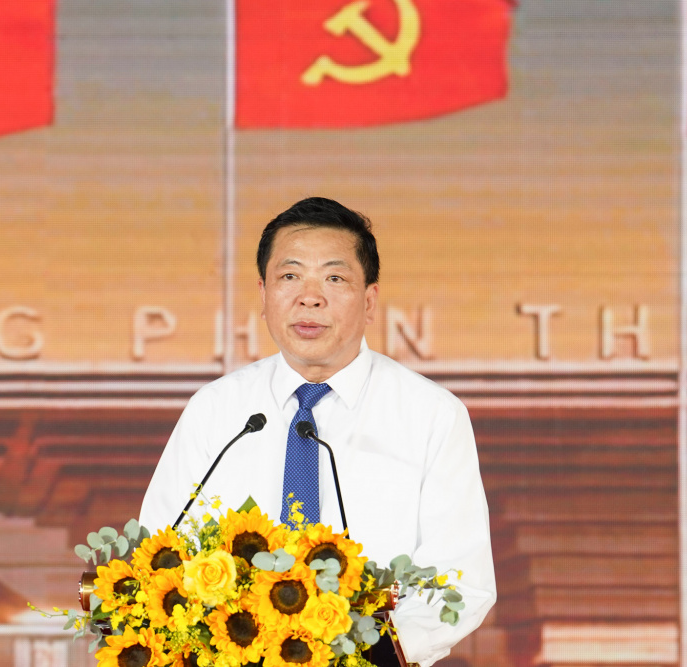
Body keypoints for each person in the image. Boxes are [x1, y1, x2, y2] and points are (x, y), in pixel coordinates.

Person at [139, 197, 496, 667]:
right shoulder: (216, 411)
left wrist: (362, 655)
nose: (310, 297)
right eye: (290, 276)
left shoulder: (432, 415)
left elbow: (461, 580)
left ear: (369, 301)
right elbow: (159, 554)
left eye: (334, 278)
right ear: (263, 294)